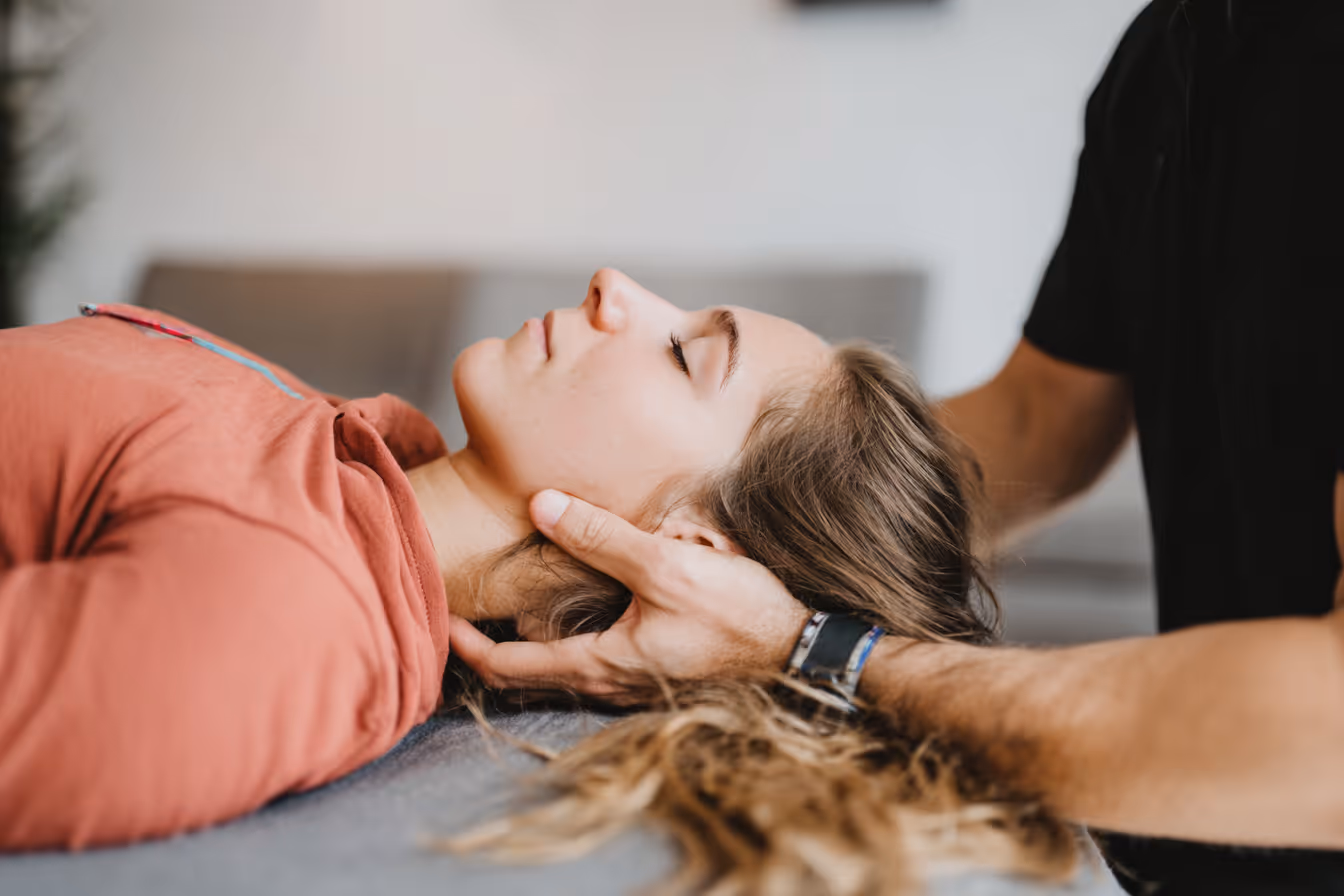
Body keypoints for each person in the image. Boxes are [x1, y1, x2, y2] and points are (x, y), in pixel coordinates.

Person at [448, 2, 1344, 894]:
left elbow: (1325, 737)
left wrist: (800, 640)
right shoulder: (1180, 52)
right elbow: (1040, 421)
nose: (612, 284)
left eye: (687, 353)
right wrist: (765, 542)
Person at [0, 269, 1082, 892]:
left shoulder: (286, 611)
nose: (617, 286)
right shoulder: (339, 462)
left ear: (690, 552)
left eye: (682, 353)